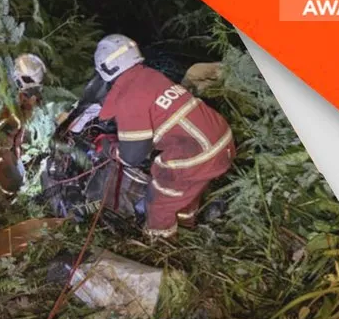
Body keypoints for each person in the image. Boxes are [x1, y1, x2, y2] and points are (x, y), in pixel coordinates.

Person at [91, 34, 235, 239]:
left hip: (199, 153)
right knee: (185, 192)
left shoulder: (129, 97)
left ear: (105, 69)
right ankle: (186, 230)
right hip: (221, 141)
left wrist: (108, 147)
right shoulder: (151, 76)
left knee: (159, 200)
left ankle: (162, 245)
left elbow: (132, 157)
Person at [0, 53, 47, 197]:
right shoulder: (0, 103)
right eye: (30, 91)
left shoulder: (18, 100)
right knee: (12, 183)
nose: (32, 96)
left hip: (7, 148)